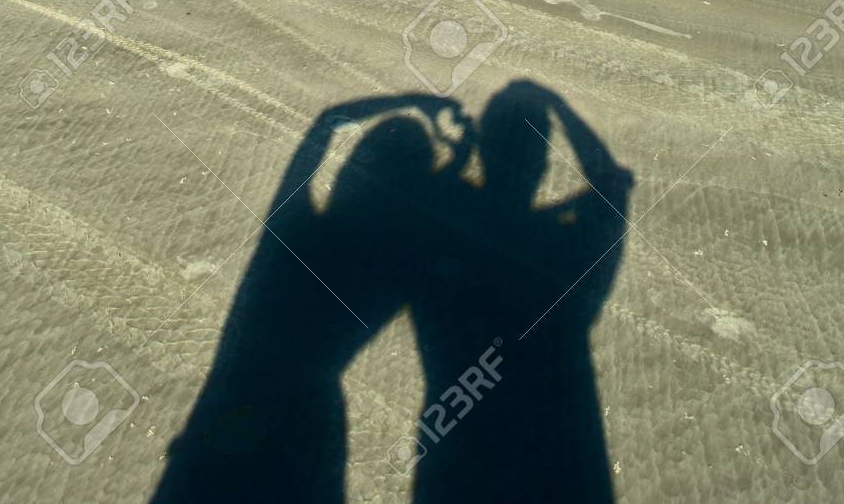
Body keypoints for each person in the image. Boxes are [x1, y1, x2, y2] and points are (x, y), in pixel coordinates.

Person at [152, 93, 471, 503]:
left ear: (352, 171)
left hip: (228, 409)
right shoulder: (391, 266)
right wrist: (459, 156)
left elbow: (327, 121)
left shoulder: (292, 226)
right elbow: (441, 211)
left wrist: (413, 100)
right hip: (307, 432)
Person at [407, 80, 633, 504]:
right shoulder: (563, 246)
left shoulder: (444, 230)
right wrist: (558, 104)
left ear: (483, 151)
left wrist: (458, 156)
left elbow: (425, 195)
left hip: (457, 462)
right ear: (543, 163)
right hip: (563, 464)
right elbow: (613, 183)